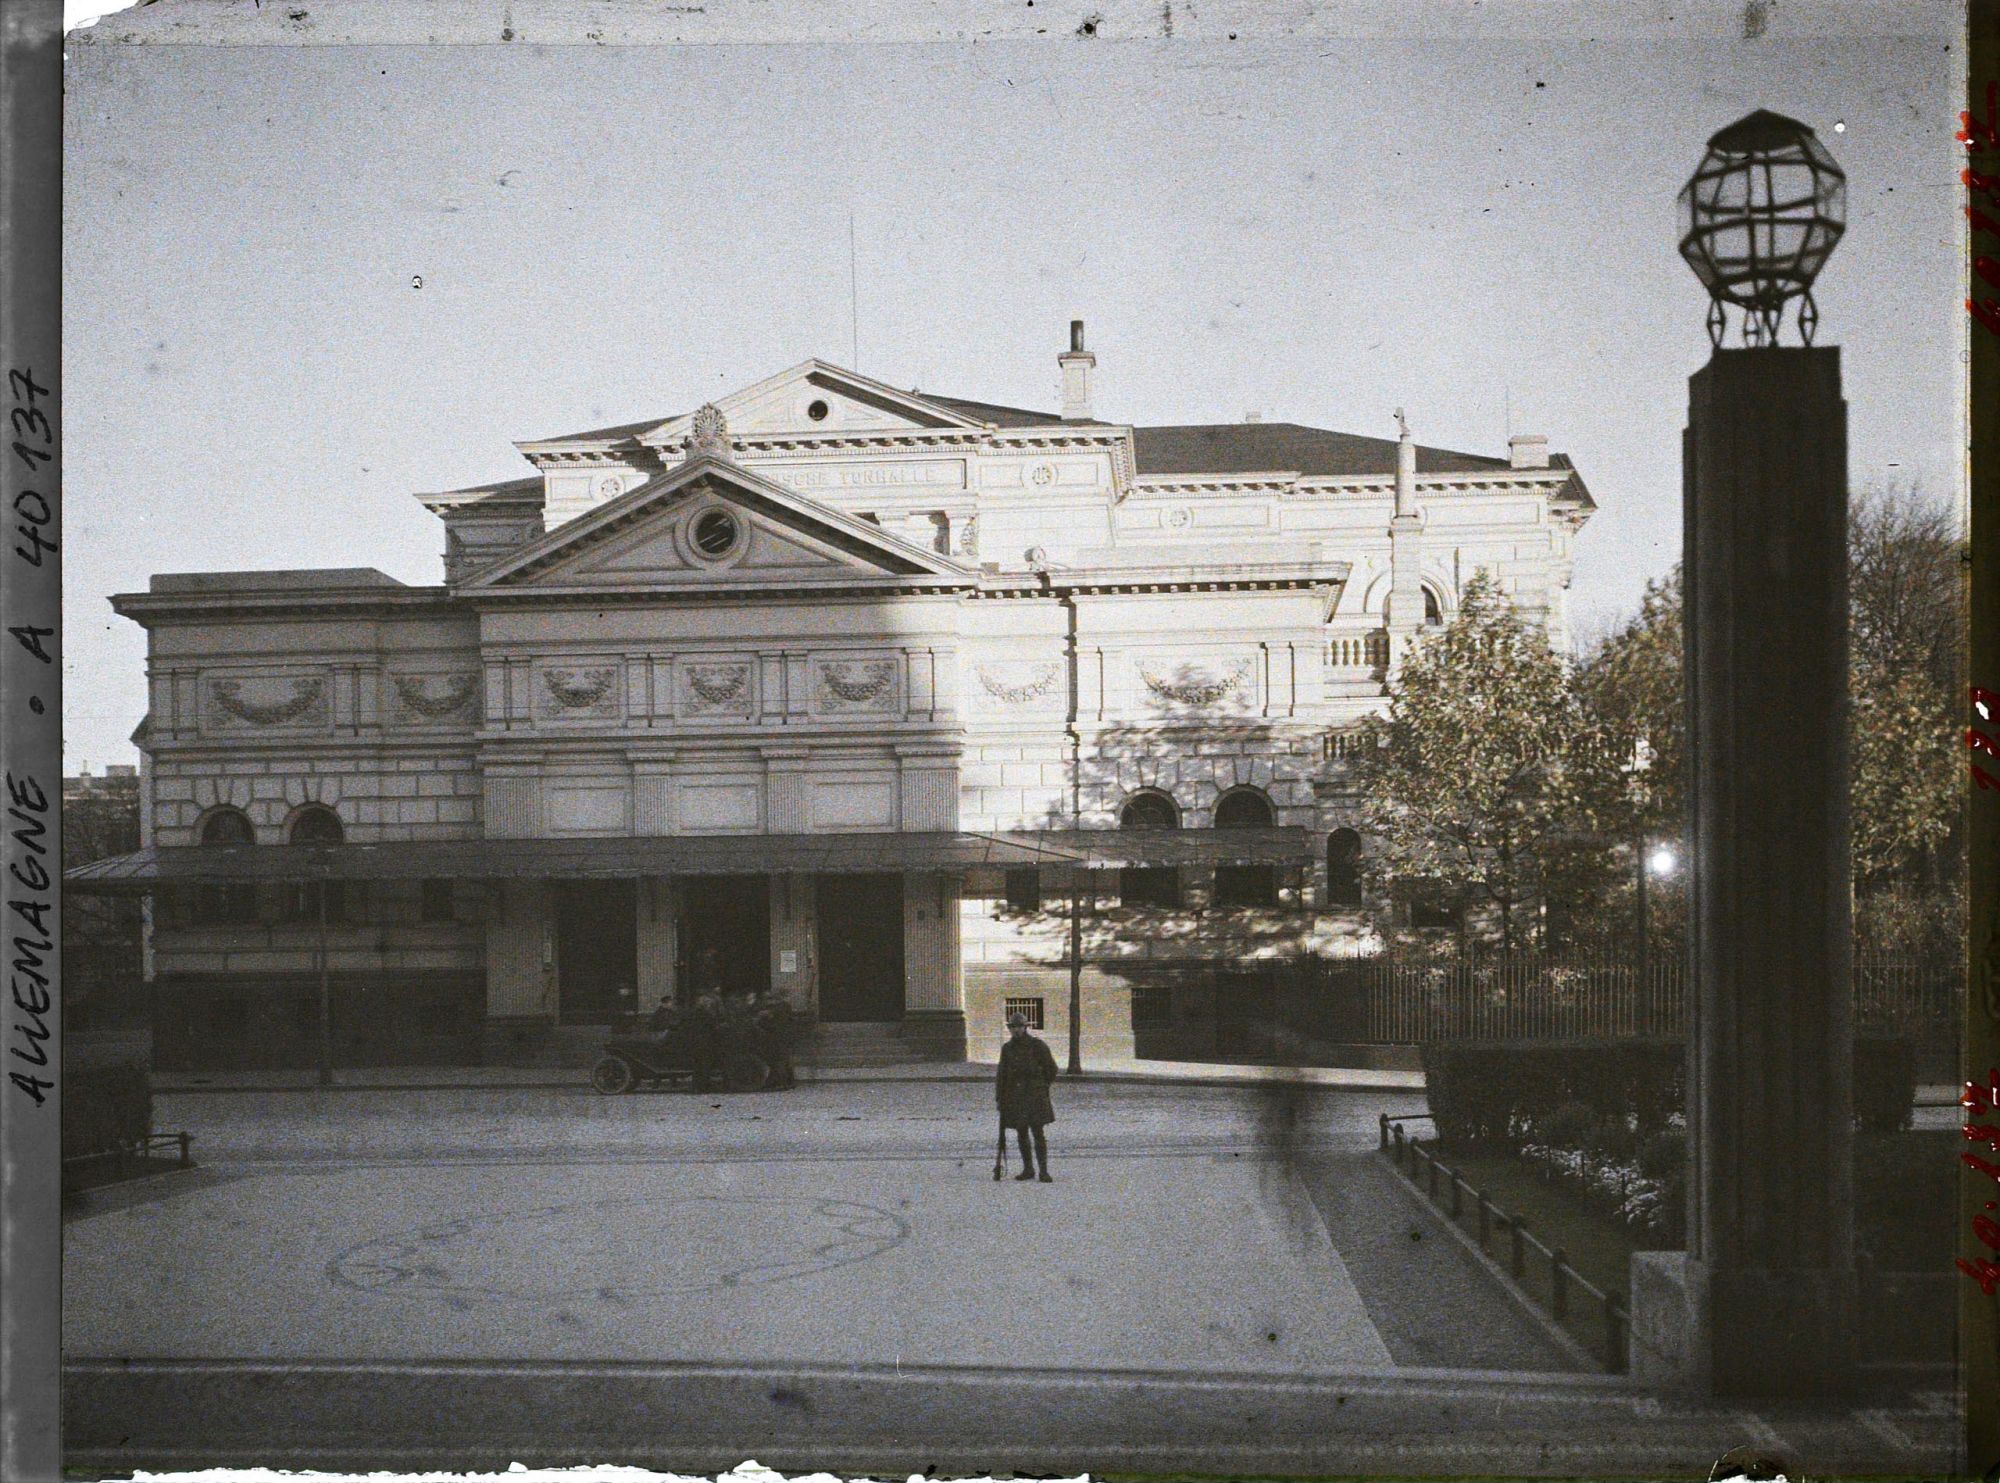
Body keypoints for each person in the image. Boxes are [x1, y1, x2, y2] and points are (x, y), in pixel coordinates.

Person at [996, 1009, 1059, 1182]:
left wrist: (1042, 1086)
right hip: (1016, 1097)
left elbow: (1051, 1069)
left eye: (1019, 1027)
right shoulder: (1007, 1049)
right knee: (1021, 1132)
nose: (1016, 1030)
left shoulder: (1037, 1045)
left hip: (1035, 1096)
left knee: (1038, 1133)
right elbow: (1002, 1074)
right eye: (1013, 1027)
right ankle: (1028, 1169)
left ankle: (1043, 1171)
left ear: (1025, 1027)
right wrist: (1000, 1098)